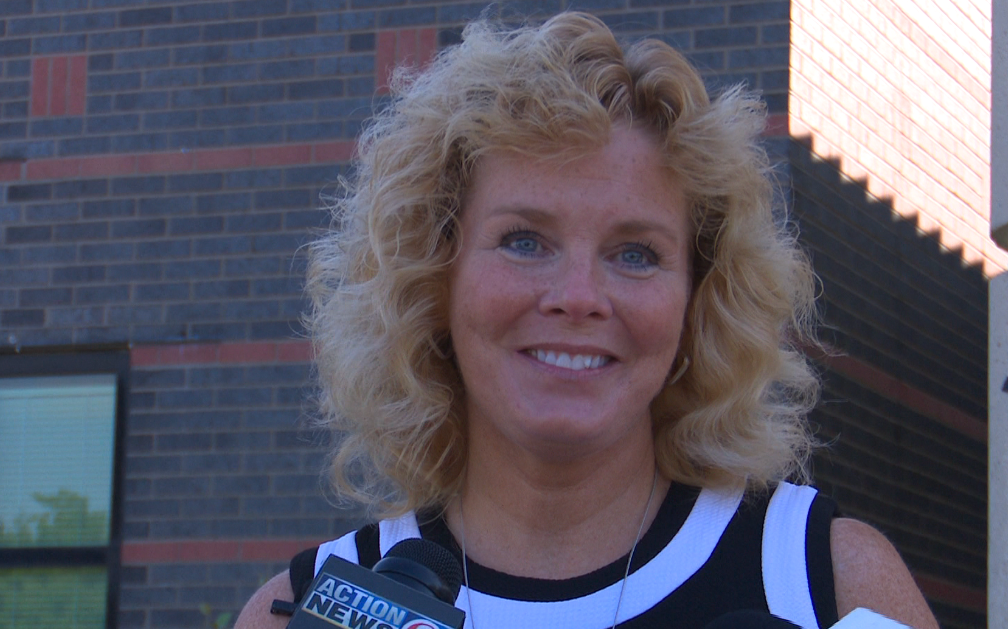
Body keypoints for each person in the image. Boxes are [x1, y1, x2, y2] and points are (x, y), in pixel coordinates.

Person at [236, 12, 938, 629]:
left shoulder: (833, 585)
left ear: (700, 300)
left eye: (635, 253)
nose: (578, 296)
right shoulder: (307, 607)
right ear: (434, 276)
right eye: (524, 241)